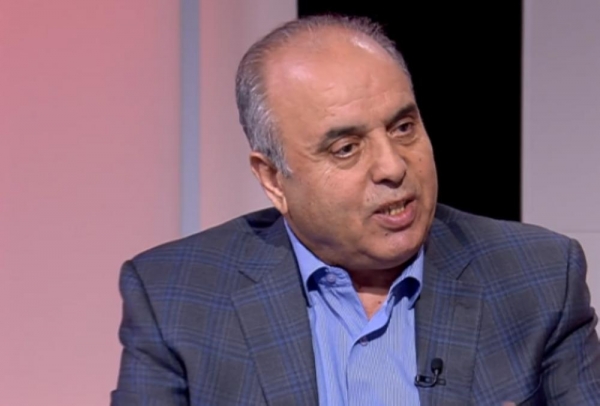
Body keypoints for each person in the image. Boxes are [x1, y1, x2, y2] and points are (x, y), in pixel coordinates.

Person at [111, 15, 600, 406]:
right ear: (273, 178)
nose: (393, 166)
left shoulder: (538, 278)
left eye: (403, 127)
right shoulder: (176, 297)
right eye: (346, 148)